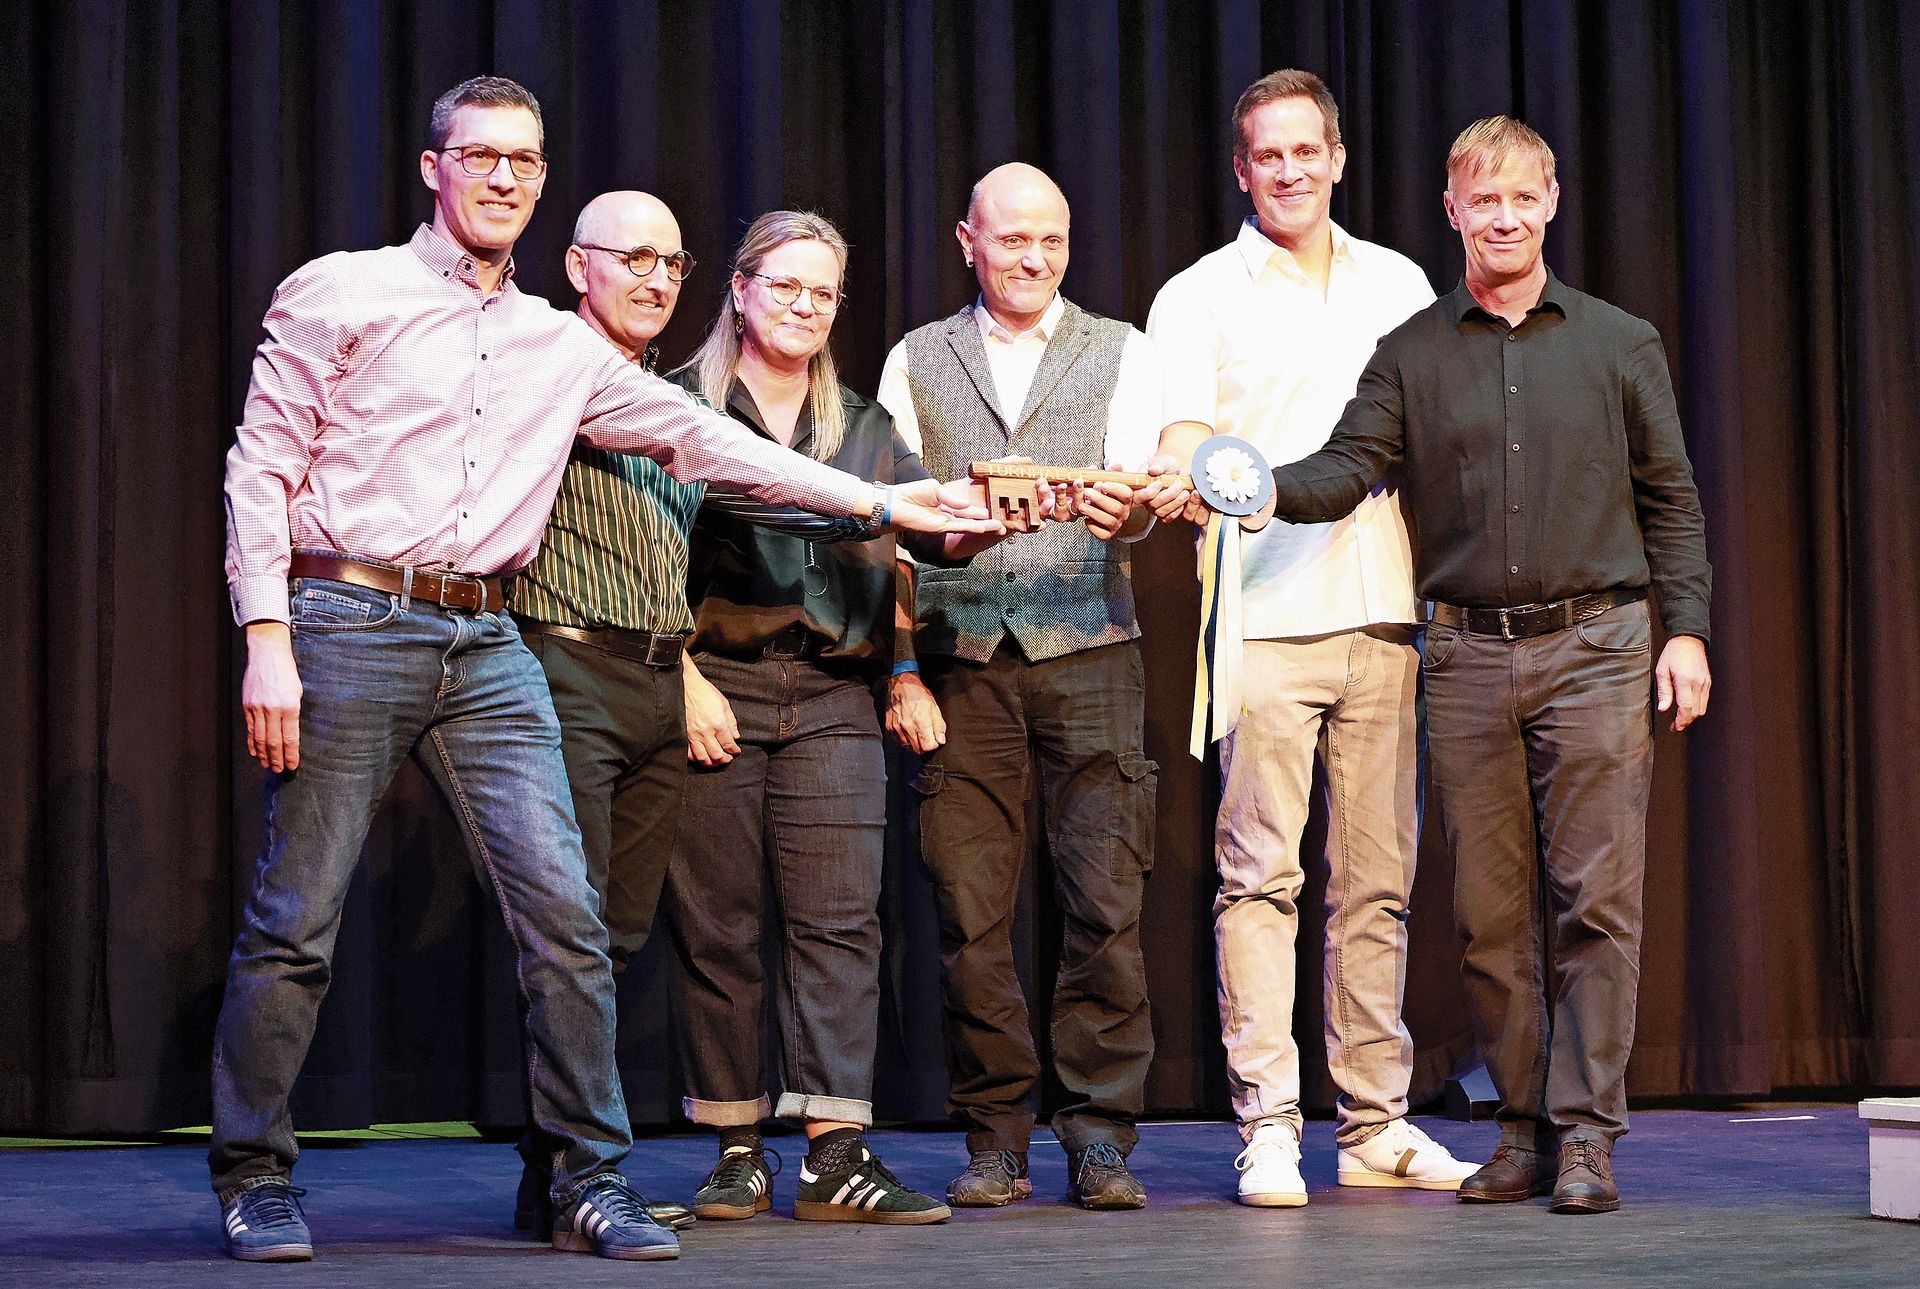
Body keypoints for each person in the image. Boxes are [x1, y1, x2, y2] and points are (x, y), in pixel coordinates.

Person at [214, 77, 994, 1264]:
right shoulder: (341, 290)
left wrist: (881, 497)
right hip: (348, 612)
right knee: (297, 915)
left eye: (525, 160)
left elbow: (714, 444)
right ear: (435, 167)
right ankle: (255, 1173)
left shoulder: (551, 347)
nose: (505, 178)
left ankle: (589, 1176)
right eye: (481, 156)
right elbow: (261, 463)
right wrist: (265, 632)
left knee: (568, 918)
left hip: (484, 637)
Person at [1229, 115, 1713, 1215]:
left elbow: (1671, 499)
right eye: (1480, 200)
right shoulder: (1411, 350)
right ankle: (1524, 1128)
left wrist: (1684, 630)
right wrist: (1248, 482)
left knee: (1594, 902)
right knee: (1491, 920)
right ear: (1452, 211)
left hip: (1597, 644)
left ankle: (1588, 1134)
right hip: (1463, 655)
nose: (1503, 217)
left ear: (1550, 205)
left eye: (1521, 198)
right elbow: (1349, 466)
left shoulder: (1617, 339)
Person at [1140, 69, 1477, 1207]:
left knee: (1377, 884)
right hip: (1263, 615)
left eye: (1304, 151)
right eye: (1264, 155)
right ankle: (1269, 1120)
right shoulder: (1199, 292)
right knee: (1261, 879)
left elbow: (1439, 430)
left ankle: (1376, 1119)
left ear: (1337, 158)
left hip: (1385, 611)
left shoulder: (1400, 279)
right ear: (1242, 170)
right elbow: (1180, 431)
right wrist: (1214, 473)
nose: (1286, 170)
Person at [662, 210, 1030, 1227]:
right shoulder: (678, 409)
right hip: (717, 684)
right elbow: (644, 563)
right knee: (721, 924)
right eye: (784, 286)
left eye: (822, 293)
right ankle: (736, 1146)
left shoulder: (861, 422)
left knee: (840, 924)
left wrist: (980, 518)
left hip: (831, 694)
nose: (804, 306)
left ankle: (834, 1150)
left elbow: (918, 532)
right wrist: (679, 677)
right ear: (738, 289)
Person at [876, 162, 1165, 1211]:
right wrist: (902, 663)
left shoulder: (1120, 349)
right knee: (968, 909)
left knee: (1105, 899)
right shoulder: (916, 357)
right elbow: (891, 527)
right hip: (963, 662)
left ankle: (1098, 1132)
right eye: (1010, 240)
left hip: (1090, 650)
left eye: (1050, 239)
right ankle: (996, 1133)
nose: (1032, 258)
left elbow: (1140, 505)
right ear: (969, 239)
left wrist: (1119, 511)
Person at [501, 189, 703, 1241]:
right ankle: (577, 1172)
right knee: (570, 935)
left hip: (658, 681)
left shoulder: (670, 395)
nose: (659, 278)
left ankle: (567, 1172)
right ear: (580, 266)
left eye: (674, 262)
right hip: (564, 662)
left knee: (617, 939)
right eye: (637, 258)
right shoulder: (541, 364)